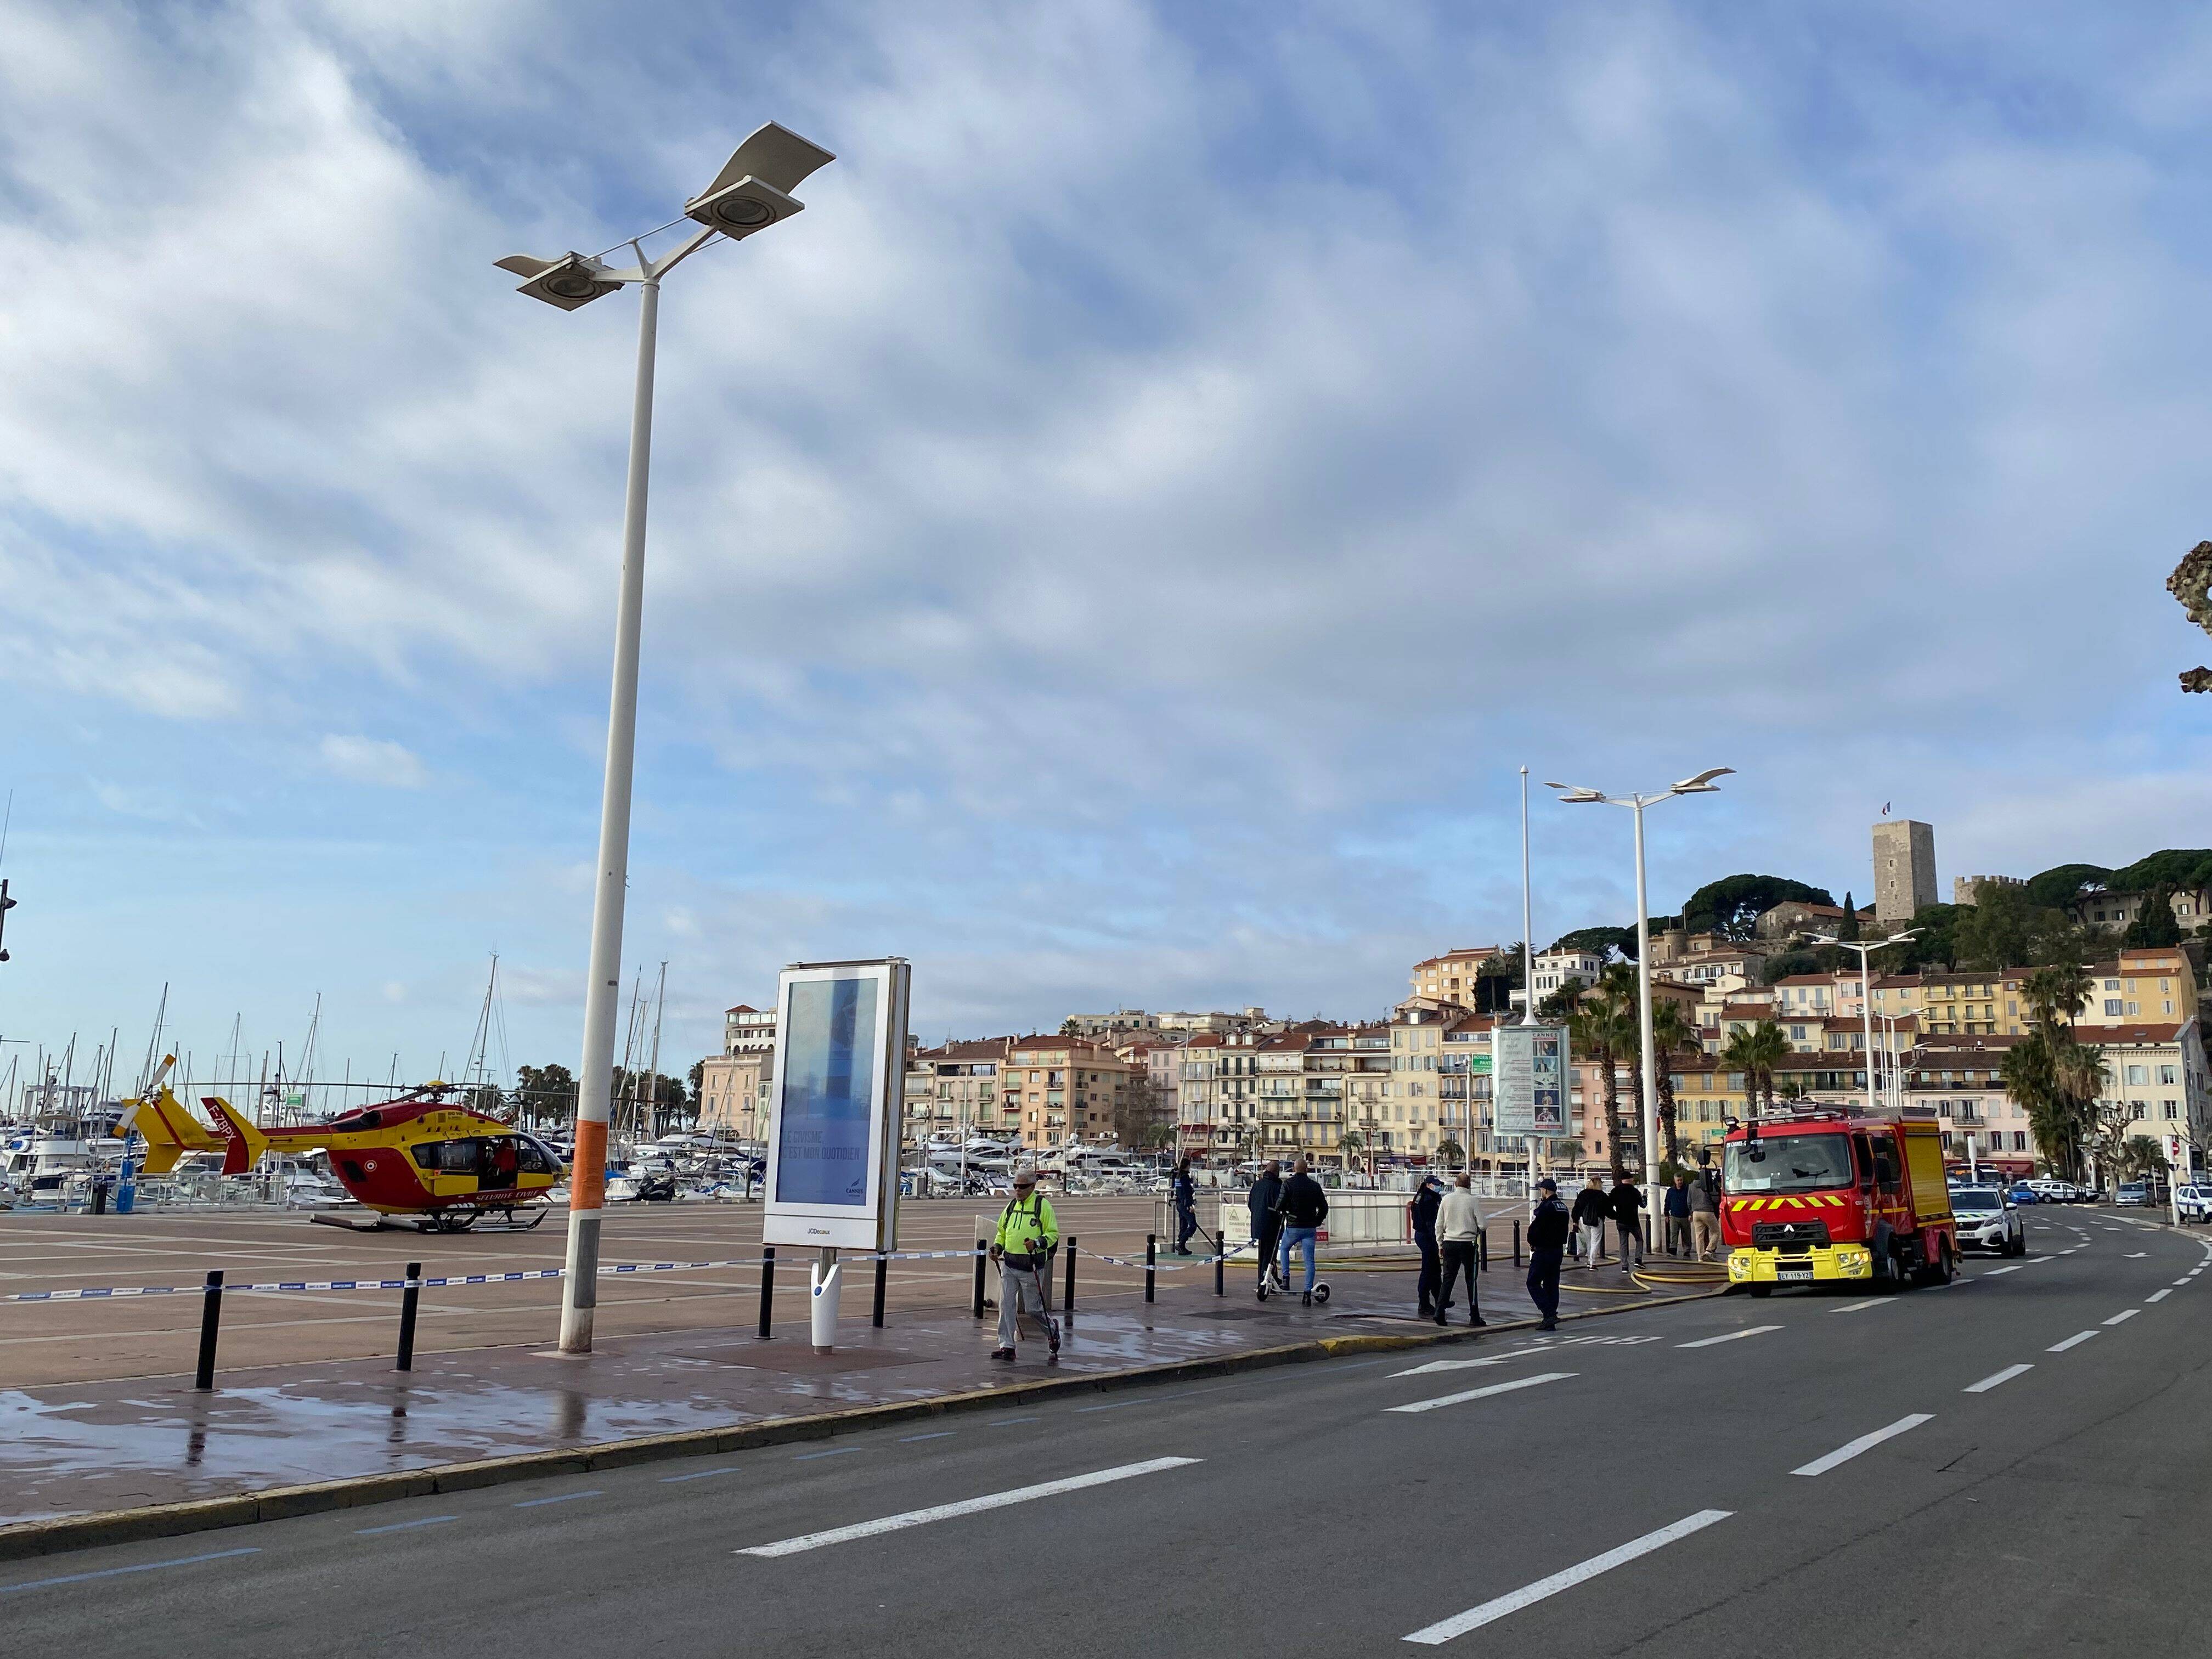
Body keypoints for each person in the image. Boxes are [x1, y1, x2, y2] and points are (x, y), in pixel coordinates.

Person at [988, 1165, 1060, 1363]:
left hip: (1032, 1267)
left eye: (1022, 1186)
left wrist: (1036, 1243)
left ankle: (1052, 1330)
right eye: (1015, 1186)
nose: (1017, 1190)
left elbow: (1053, 1234)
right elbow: (1002, 1231)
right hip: (1010, 1265)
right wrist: (997, 1247)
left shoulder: (1041, 1206)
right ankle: (1007, 1347)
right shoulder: (1011, 1207)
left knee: (1033, 1309)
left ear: (1032, 1186)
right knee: (1006, 1305)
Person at [1434, 1172, 1486, 1327]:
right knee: (1471, 1280)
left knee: (1448, 1279)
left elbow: (1439, 1225)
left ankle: (1440, 1311)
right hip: (1467, 1243)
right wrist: (1475, 1229)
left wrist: (1440, 1244)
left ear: (1456, 1184)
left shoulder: (1446, 1199)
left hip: (1450, 1242)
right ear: (1469, 1185)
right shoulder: (1472, 1201)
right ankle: (1474, 1315)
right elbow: (1483, 1225)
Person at [1275, 1157, 1329, 1305]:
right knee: (1309, 1261)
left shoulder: (1288, 1184)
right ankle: (1307, 1293)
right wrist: (1317, 1222)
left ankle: (1286, 1279)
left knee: (1284, 1248)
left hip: (1293, 1227)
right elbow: (1324, 1208)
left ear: (1294, 1169)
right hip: (1309, 1229)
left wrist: (1286, 1211)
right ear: (1306, 1170)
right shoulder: (1315, 1186)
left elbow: (1279, 1206)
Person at [1526, 1176, 1569, 1330]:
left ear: (1545, 1190)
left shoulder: (1544, 1208)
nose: (1540, 1192)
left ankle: (1549, 1313)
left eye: (1541, 1190)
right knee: (1552, 1284)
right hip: (1557, 1250)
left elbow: (1536, 1228)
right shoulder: (1562, 1207)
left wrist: (1532, 1242)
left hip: (1543, 1250)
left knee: (1533, 1282)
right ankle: (1549, 1319)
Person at [1410, 1173, 1444, 1317]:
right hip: (1428, 1236)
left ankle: (1440, 1300)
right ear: (1430, 1185)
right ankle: (1424, 1303)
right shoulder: (1429, 1198)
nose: (1439, 1187)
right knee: (1429, 1271)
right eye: (1436, 1185)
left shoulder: (1420, 1196)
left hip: (1422, 1234)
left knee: (1434, 1270)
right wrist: (1438, 1240)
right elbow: (1431, 1221)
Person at [1248, 1160, 1284, 1293]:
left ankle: (1269, 1277)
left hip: (1258, 1223)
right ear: (1277, 1172)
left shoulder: (1257, 1185)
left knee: (1264, 1254)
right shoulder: (1277, 1187)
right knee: (1269, 1254)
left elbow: (1250, 1204)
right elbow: (1281, 1205)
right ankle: (1265, 1281)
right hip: (1272, 1225)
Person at [1571, 1175, 1610, 1266]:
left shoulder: (1583, 1194)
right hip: (1597, 1220)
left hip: (1583, 1220)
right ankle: (1592, 1262)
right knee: (1595, 1241)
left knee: (1588, 1240)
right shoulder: (1602, 1195)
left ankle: (1589, 1260)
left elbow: (1576, 1208)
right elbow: (1608, 1210)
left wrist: (1575, 1220)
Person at [1611, 1172, 1645, 1269]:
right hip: (1633, 1221)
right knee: (1639, 1240)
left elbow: (1609, 1205)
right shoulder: (1635, 1191)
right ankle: (1638, 1260)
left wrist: (1615, 1216)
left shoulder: (1615, 1191)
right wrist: (1645, 1198)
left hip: (1621, 1221)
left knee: (1623, 1243)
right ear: (1630, 1179)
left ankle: (1624, 1266)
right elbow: (1643, 1205)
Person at [1688, 1163, 1721, 1261]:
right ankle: (1709, 1250)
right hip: (1707, 1211)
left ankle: (1700, 1257)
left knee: (1699, 1236)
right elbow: (1715, 1199)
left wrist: (1691, 1212)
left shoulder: (1691, 1186)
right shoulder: (1709, 1185)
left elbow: (1689, 1201)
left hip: (1696, 1213)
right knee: (1716, 1232)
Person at [1171, 1158, 1199, 1254]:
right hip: (1184, 1204)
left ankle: (1182, 1247)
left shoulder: (1178, 1176)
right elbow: (1187, 1193)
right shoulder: (1184, 1177)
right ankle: (1181, 1243)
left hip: (1180, 1204)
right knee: (1193, 1225)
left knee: (1183, 1225)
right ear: (1187, 1166)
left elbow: (1177, 1190)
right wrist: (1190, 1206)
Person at [1663, 1173, 1692, 1257]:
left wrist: (1691, 1213)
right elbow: (1667, 1203)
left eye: (1681, 1180)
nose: (1680, 1182)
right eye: (1678, 1180)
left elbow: (1691, 1202)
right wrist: (1666, 1214)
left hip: (1685, 1216)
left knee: (1686, 1235)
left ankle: (1687, 1251)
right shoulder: (1671, 1191)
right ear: (1675, 1181)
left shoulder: (1687, 1190)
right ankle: (1673, 1250)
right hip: (1674, 1216)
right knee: (1673, 1234)